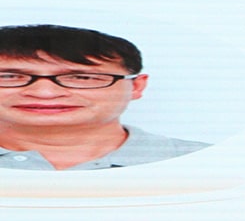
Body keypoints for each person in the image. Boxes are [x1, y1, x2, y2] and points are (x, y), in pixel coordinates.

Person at [0, 24, 208, 170]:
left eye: (82, 77)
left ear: (136, 86)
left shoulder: (206, 162)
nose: (45, 92)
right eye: (9, 76)